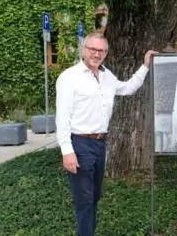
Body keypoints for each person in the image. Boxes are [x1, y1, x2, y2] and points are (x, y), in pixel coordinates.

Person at [55, 32, 157, 236]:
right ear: (84, 50)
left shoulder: (107, 76)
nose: (97, 53)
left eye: (101, 50)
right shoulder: (69, 77)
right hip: (80, 144)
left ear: (106, 53)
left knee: (94, 197)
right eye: (93, 49)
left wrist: (145, 66)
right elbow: (62, 117)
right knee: (84, 200)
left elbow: (128, 88)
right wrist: (67, 151)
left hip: (100, 144)